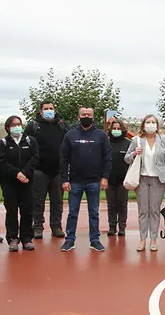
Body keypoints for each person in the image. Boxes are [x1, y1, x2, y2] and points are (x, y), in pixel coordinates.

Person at [59, 107, 112, 253]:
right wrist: (65, 179)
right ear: (78, 117)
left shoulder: (101, 135)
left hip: (94, 181)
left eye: (89, 114)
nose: (86, 116)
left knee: (94, 212)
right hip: (75, 181)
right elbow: (63, 158)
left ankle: (94, 240)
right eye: (84, 114)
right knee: (72, 212)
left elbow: (107, 158)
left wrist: (105, 177)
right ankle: (70, 240)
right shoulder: (70, 135)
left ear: (93, 118)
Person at [125, 115, 165, 251]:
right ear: (143, 124)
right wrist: (134, 153)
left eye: (153, 122)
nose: (151, 124)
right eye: (148, 122)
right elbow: (126, 158)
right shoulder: (137, 140)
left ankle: (153, 239)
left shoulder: (164, 140)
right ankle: (142, 239)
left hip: (159, 180)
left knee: (155, 210)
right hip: (142, 179)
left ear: (157, 125)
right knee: (143, 211)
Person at [25, 101, 70, 240]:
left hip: (58, 170)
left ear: (55, 110)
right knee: (37, 201)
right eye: (46, 109)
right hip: (39, 170)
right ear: (40, 111)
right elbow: (26, 146)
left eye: (51, 108)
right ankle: (37, 226)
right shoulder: (33, 127)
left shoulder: (62, 126)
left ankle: (56, 226)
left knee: (57, 201)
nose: (49, 110)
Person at [0, 115, 39, 252]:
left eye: (19, 124)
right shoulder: (3, 143)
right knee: (12, 211)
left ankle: (27, 238)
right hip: (10, 183)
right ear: (8, 127)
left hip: (27, 182)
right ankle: (13, 238)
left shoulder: (30, 141)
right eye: (13, 125)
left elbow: (35, 158)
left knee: (27, 211)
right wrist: (16, 174)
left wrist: (25, 173)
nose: (16, 127)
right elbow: (2, 162)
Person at [106, 120, 132, 236]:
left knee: (122, 204)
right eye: (114, 128)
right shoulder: (106, 142)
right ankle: (112, 226)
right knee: (111, 204)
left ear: (122, 130)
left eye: (118, 128)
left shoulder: (128, 143)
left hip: (124, 179)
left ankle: (122, 227)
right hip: (109, 179)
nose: (116, 130)